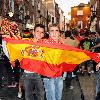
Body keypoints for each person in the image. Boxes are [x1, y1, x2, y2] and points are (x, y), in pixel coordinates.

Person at [21, 24, 45, 100]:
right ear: (33, 32)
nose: (39, 33)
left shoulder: (45, 45)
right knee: (28, 96)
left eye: (42, 32)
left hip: (39, 74)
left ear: (43, 34)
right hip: (27, 74)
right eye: (37, 31)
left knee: (41, 95)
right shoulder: (26, 42)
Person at [43, 24, 63, 100]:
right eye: (52, 31)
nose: (54, 33)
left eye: (56, 31)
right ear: (49, 33)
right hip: (49, 76)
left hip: (59, 75)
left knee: (58, 98)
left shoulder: (62, 45)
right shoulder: (44, 43)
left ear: (59, 33)